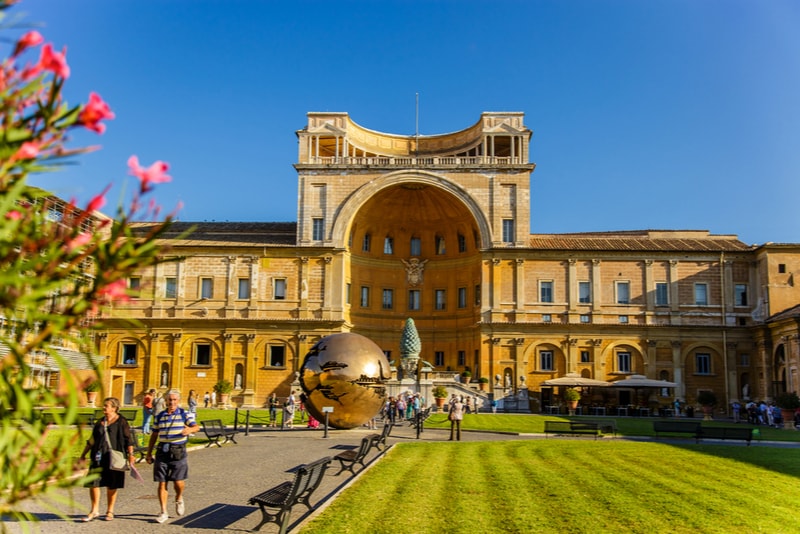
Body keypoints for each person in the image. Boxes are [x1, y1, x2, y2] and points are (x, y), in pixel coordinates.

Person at [145, 389, 200, 524]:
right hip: (162, 451)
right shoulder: (160, 415)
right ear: (166, 401)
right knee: (162, 482)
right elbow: (154, 435)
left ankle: (179, 497)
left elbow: (196, 427)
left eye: (174, 400)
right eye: (170, 400)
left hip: (178, 451)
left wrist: (190, 429)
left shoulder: (184, 414)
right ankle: (163, 511)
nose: (172, 402)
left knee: (178, 482)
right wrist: (149, 452)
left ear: (178, 401)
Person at [79, 397, 135, 522]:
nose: (104, 408)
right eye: (104, 406)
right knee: (93, 483)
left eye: (107, 406)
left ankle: (110, 510)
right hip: (98, 457)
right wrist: (83, 454)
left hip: (114, 458)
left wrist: (131, 454)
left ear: (114, 408)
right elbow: (92, 439)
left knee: (112, 484)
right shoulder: (100, 422)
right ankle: (94, 510)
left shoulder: (121, 422)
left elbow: (128, 440)